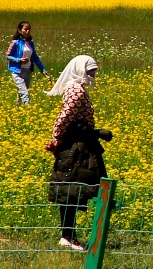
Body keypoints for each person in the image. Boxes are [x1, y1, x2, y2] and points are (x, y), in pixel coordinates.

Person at [45, 56, 108, 251]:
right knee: (71, 189)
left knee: (73, 189)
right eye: (90, 71)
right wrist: (57, 139)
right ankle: (68, 236)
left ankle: (71, 235)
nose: (93, 75)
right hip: (75, 149)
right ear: (80, 69)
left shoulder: (76, 88)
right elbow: (65, 115)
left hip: (80, 145)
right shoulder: (75, 89)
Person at [4, 20, 45, 106]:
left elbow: (35, 57)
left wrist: (43, 69)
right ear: (19, 30)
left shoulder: (30, 43)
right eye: (25, 29)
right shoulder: (15, 43)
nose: (28, 31)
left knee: (21, 93)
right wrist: (19, 60)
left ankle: (17, 109)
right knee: (24, 93)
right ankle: (28, 109)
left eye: (29, 29)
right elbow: (7, 56)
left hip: (27, 70)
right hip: (17, 71)